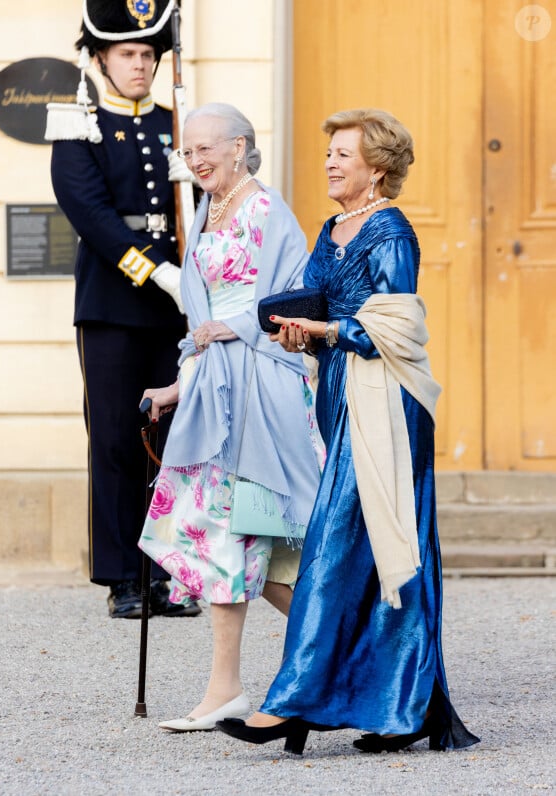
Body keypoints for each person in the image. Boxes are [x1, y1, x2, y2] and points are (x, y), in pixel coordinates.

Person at [216, 108, 480, 755]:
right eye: (329, 152)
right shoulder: (332, 227)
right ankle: (402, 709)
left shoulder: (390, 231)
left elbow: (400, 327)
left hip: (385, 402)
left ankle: (292, 703)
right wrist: (291, 326)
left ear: (377, 168)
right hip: (339, 391)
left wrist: (330, 331)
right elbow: (310, 298)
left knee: (341, 544)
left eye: (342, 153)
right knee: (368, 552)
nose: (330, 162)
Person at [137, 102, 324, 731]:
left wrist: (237, 327)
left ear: (240, 146)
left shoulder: (267, 209)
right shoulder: (206, 209)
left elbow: (294, 301)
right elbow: (202, 321)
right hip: (218, 385)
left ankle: (345, 661)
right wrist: (178, 385)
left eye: (204, 149)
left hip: (261, 387)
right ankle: (234, 687)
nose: (193, 162)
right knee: (231, 540)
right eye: (186, 153)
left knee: (259, 541)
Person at [48, 0, 200, 620]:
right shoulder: (77, 123)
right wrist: (156, 271)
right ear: (101, 59)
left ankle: (162, 571)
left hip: (176, 308)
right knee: (113, 436)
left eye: (148, 55)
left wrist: (197, 175)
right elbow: (90, 215)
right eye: (128, 55)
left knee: (169, 436)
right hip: (112, 304)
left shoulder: (177, 122)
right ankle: (121, 577)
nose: (140, 66)